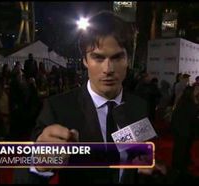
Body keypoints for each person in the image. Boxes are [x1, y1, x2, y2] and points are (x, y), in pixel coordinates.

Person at [14, 11, 164, 184]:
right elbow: (23, 179)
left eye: (117, 57)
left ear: (128, 59)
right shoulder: (58, 108)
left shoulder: (139, 106)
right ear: (85, 60)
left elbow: (142, 164)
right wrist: (38, 164)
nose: (108, 69)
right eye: (98, 57)